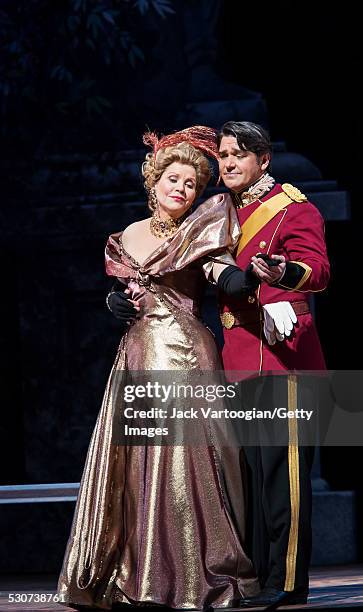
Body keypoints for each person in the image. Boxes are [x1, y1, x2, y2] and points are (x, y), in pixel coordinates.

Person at [57, 126, 261, 610]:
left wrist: (241, 278)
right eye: (174, 179)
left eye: (191, 184)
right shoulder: (129, 233)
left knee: (186, 464)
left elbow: (220, 271)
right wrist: (113, 301)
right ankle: (139, 572)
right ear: (154, 182)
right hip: (138, 355)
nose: (182, 189)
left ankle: (192, 574)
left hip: (185, 357)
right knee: (138, 466)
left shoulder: (201, 230)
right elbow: (129, 288)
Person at [217, 121, 330, 608]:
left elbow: (318, 270)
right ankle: (259, 578)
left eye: (238, 154)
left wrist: (283, 270)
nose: (227, 163)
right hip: (237, 357)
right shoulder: (219, 212)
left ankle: (287, 582)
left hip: (284, 359)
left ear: (263, 160)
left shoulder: (293, 208)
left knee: (284, 479)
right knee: (253, 479)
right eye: (222, 155)